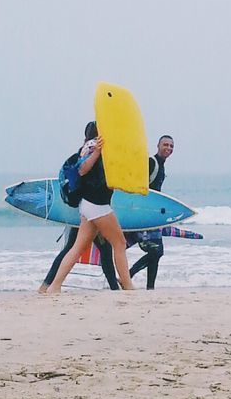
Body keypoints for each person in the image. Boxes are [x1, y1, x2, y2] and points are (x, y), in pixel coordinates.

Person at [43, 122, 134, 294]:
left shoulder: (99, 147)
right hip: (96, 204)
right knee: (119, 243)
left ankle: (54, 286)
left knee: (77, 248)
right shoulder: (92, 147)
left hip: (90, 205)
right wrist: (98, 152)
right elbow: (82, 170)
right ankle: (128, 285)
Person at [128, 134, 174, 289]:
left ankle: (150, 287)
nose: (168, 148)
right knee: (156, 251)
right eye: (165, 145)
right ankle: (128, 275)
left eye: (171, 146)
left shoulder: (161, 165)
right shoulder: (151, 162)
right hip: (143, 216)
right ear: (158, 146)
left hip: (153, 217)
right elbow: (135, 184)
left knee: (157, 252)